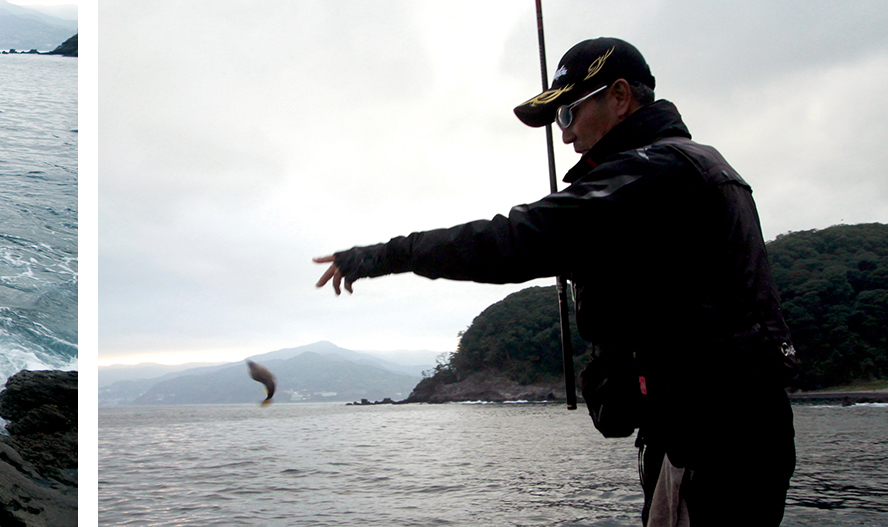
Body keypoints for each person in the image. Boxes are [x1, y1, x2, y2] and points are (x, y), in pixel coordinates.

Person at [314, 38, 795, 526]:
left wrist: (383, 255)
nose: (564, 136)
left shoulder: (656, 172)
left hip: (713, 440)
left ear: (620, 95)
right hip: (719, 430)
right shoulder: (689, 166)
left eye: (568, 113)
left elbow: (513, 240)